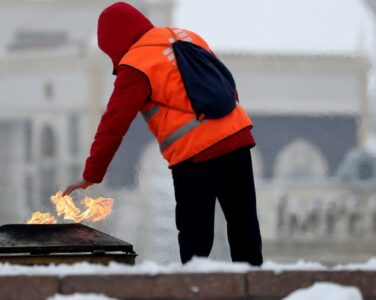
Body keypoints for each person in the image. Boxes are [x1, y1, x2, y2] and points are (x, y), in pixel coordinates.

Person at [63, 2, 263, 266]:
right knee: (244, 225)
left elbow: (113, 123)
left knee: (195, 238)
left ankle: (196, 291)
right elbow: (225, 83)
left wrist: (92, 174)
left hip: (195, 154)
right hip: (237, 138)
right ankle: (255, 290)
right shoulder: (187, 36)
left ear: (115, 42)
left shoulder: (136, 64)